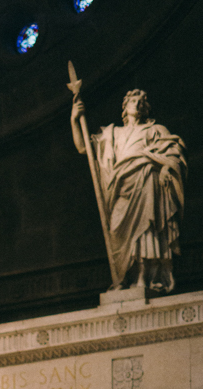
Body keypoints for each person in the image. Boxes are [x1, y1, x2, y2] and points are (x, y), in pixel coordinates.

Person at [71, 89, 186, 293]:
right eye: (134, 100)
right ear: (125, 106)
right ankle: (123, 278)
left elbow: (173, 154)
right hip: (120, 188)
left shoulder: (156, 130)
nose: (138, 104)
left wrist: (166, 168)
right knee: (118, 230)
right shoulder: (111, 133)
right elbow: (83, 148)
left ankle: (143, 278)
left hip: (146, 184)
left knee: (146, 230)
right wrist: (74, 119)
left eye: (142, 102)